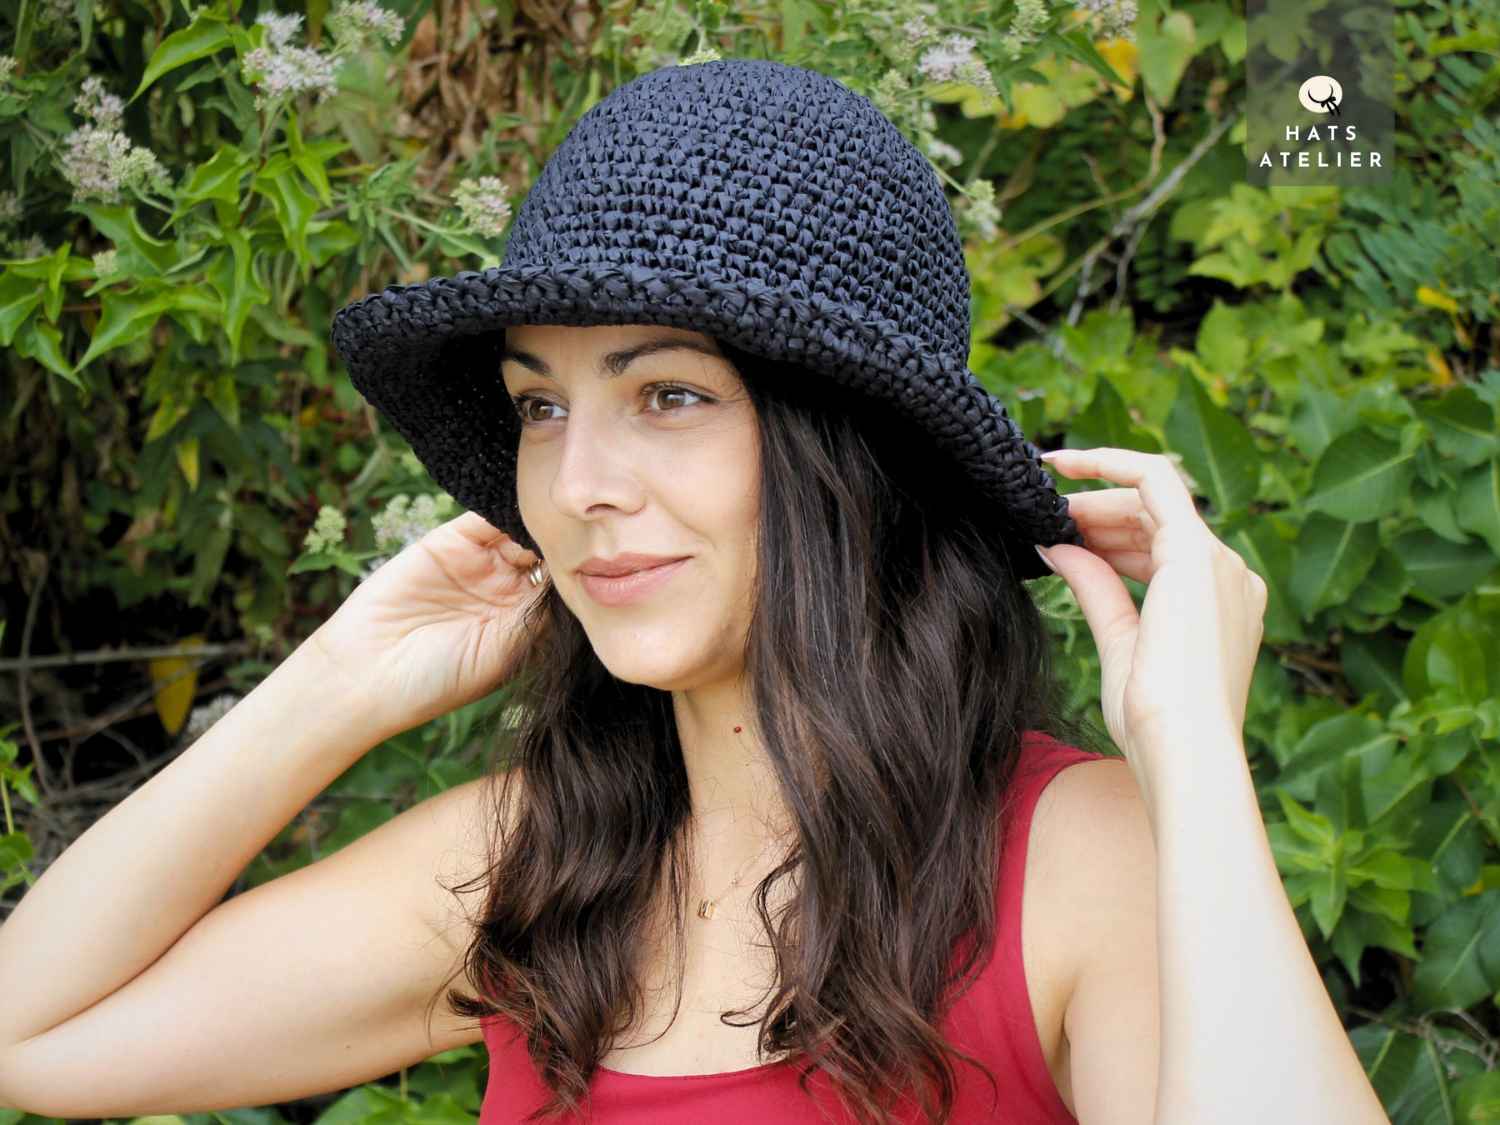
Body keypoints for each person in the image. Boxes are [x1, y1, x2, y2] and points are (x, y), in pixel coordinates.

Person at [0, 59, 1387, 1125]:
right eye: (540, 408)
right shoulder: (537, 864)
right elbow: (28, 1032)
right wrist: (337, 684)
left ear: (846, 450)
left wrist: (1193, 753)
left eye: (666, 394)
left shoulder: (1069, 857)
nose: (580, 480)